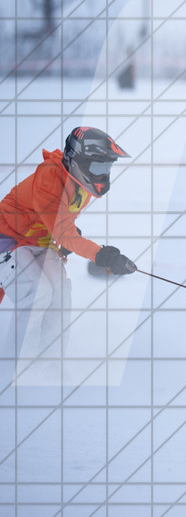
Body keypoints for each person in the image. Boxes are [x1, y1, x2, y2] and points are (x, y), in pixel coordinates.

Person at [0, 127, 136, 384]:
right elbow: (63, 230)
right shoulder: (49, 177)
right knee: (37, 293)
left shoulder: (81, 187)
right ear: (77, 161)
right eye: (97, 168)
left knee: (60, 293)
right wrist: (99, 254)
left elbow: (61, 223)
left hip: (39, 241)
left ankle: (50, 368)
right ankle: (15, 370)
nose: (102, 176)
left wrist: (66, 237)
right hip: (7, 239)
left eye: (106, 170)